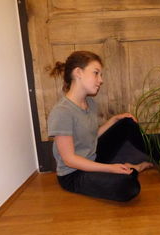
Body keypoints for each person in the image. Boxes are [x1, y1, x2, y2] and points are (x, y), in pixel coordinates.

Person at [47, 51, 153, 202]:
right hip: (73, 174)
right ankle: (135, 168)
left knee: (126, 122)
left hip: (93, 157)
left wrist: (114, 120)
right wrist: (111, 168)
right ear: (78, 73)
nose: (100, 80)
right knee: (129, 186)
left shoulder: (89, 103)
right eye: (96, 73)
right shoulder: (62, 112)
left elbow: (91, 136)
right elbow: (69, 160)